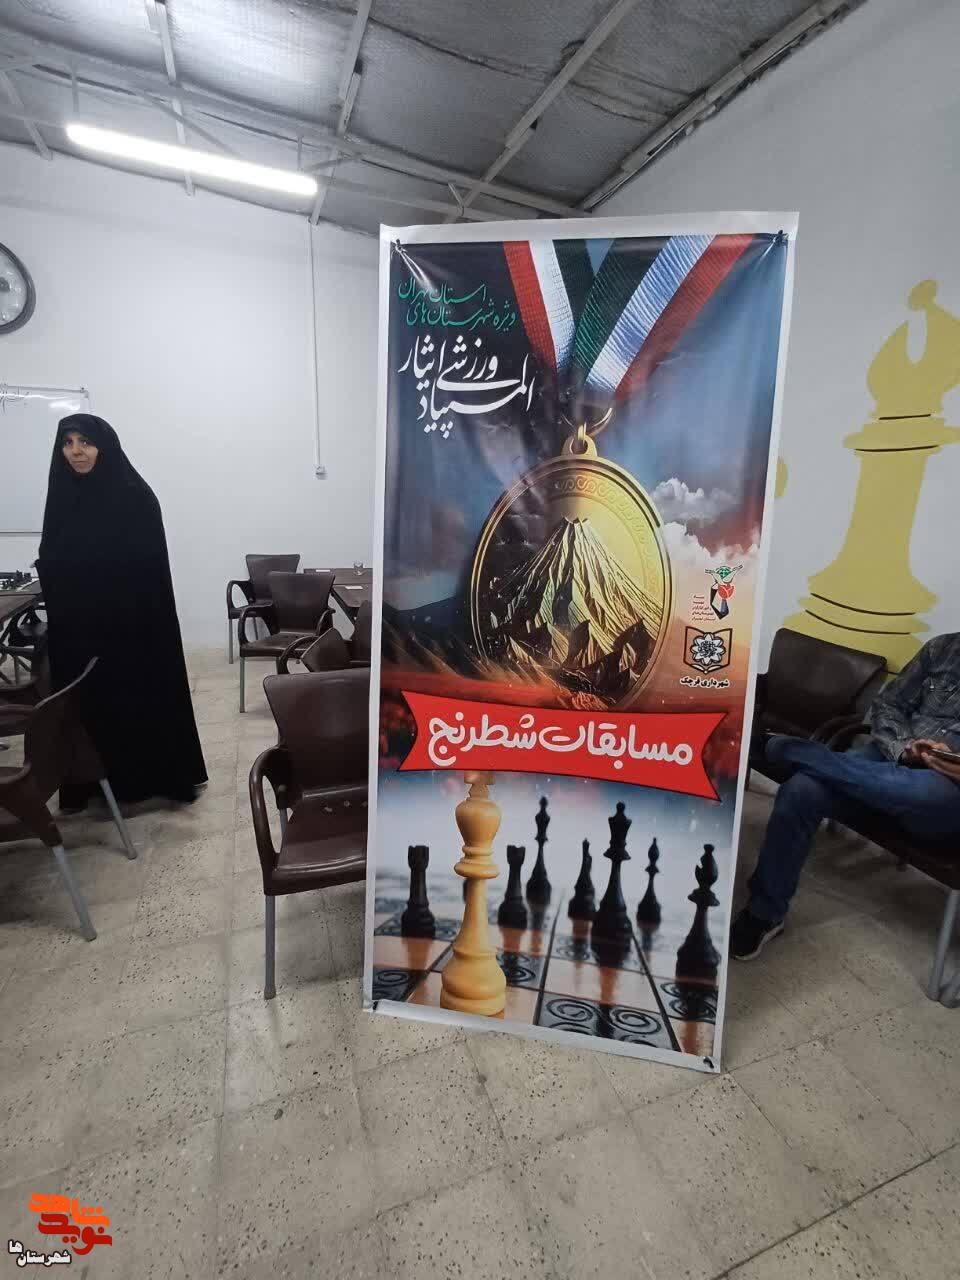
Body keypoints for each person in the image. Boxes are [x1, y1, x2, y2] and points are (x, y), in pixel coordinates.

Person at [730, 632, 960, 959]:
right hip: (890, 757)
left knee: (926, 791)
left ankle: (785, 749)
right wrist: (905, 746)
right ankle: (764, 912)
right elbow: (888, 704)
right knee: (801, 790)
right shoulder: (943, 648)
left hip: (943, 792)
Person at [37, 413, 207, 807]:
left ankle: (149, 781)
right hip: (80, 631)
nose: (76, 452)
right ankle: (92, 785)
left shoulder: (134, 496)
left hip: (131, 631)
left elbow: (145, 571)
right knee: (89, 708)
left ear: (105, 447)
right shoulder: (62, 495)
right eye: (67, 443)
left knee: (136, 704)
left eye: (85, 442)